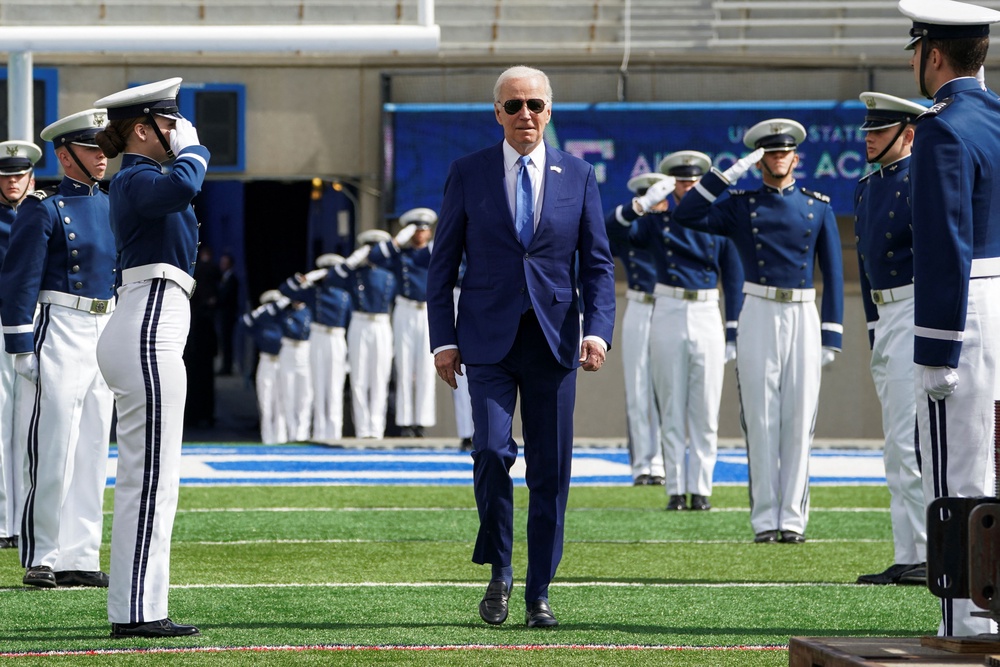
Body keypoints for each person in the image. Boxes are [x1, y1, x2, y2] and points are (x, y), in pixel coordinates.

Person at [426, 65, 616, 628]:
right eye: (513, 106)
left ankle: (538, 591)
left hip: (556, 343)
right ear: (497, 114)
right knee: (489, 450)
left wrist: (598, 329)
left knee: (550, 474)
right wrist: (443, 340)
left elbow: (598, 265)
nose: (525, 115)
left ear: (549, 111)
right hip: (485, 341)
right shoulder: (468, 173)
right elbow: (442, 266)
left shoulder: (578, 175)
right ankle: (500, 571)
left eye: (535, 104)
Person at [672, 118, 843, 544]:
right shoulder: (740, 205)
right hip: (757, 310)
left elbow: (834, 275)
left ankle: (793, 520)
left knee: (799, 418)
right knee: (761, 418)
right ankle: (766, 519)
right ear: (759, 159)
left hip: (803, 312)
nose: (778, 158)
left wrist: (832, 334)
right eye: (769, 153)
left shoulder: (817, 206)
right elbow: (687, 212)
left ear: (796, 158)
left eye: (784, 152)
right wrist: (726, 174)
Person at [898, 0, 1000, 637]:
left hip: (967, 310)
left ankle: (964, 623)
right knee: (996, 465)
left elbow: (944, 242)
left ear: (933, 55)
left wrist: (937, 346)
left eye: (917, 51)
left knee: (956, 472)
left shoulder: (943, 126)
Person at [93, 77, 208, 638]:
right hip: (149, 324)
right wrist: (196, 151)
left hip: (150, 321)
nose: (179, 130)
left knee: (154, 476)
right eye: (169, 122)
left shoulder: (140, 178)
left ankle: (137, 605)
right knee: (151, 479)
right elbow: (181, 191)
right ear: (144, 128)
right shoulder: (139, 177)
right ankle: (137, 612)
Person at [0, 109, 116, 589]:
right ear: (66, 157)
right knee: (53, 444)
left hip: (105, 324)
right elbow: (19, 279)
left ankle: (80, 555)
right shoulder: (43, 209)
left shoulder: (113, 205)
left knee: (92, 445)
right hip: (61, 324)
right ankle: (43, 554)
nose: (103, 157)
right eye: (92, 149)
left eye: (105, 148)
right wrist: (21, 347)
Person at [627, 154, 744, 512]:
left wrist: (732, 330)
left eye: (693, 182)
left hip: (707, 310)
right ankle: (677, 488)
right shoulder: (658, 223)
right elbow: (615, 231)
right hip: (668, 308)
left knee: (706, 410)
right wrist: (645, 202)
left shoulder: (717, 220)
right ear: (672, 186)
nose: (687, 188)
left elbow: (734, 277)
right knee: (672, 404)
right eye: (680, 183)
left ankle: (702, 488)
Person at [852, 92, 928, 587]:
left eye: (881, 130)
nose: (870, 138)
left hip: (918, 308)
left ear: (909, 133)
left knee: (909, 441)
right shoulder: (866, 188)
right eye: (868, 131)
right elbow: (865, 265)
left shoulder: (923, 180)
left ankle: (924, 553)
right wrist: (874, 325)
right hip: (888, 313)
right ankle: (909, 552)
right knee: (896, 443)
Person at [605, 178, 665, 487]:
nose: (657, 204)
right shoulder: (634, 230)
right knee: (639, 386)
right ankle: (644, 464)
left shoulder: (680, 225)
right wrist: (638, 207)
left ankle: (669, 463)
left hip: (674, 308)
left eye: (661, 196)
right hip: (640, 304)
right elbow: (608, 229)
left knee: (672, 390)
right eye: (650, 198)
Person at [0, 140, 40, 552]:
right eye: (5, 175)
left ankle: (23, 519)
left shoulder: (43, 212)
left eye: (19, 174)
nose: (12, 181)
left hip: (35, 323)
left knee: (30, 425)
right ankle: (3, 523)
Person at [368, 208, 436, 438]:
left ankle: (422, 422)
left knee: (427, 368)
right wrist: (397, 240)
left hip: (427, 310)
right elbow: (375, 258)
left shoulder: (432, 252)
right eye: (415, 230)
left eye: (423, 230)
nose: (420, 234)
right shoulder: (400, 254)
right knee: (405, 365)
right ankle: (406, 421)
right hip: (405, 309)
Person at [280, 254, 352, 441]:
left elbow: (351, 323)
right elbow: (286, 290)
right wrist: (307, 277)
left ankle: (334, 433)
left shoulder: (346, 293)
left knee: (335, 388)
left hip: (337, 338)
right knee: (318, 386)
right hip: (318, 337)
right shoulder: (314, 292)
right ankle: (320, 432)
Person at [337, 229, 396, 439]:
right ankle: (362, 429)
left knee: (380, 378)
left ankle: (376, 429)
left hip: (380, 323)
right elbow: (336, 276)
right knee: (359, 378)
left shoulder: (390, 273)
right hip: (360, 323)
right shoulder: (355, 274)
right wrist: (355, 258)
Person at [242, 290, 289, 444]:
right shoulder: (261, 321)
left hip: (283, 361)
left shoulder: (283, 318)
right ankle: (267, 438)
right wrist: (262, 311)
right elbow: (244, 322)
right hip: (266, 361)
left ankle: (281, 438)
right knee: (265, 402)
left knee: (281, 402)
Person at [278, 297, 313, 442]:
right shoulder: (284, 312)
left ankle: (302, 432)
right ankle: (291, 432)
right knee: (288, 393)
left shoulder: (310, 311)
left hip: (305, 350)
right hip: (288, 350)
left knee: (306, 394)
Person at [216, 252, 240, 376]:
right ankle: (225, 365)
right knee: (223, 342)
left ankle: (227, 367)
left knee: (227, 342)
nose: (222, 265)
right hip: (223, 315)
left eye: (225, 263)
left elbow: (228, 297)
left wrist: (216, 301)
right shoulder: (223, 278)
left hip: (228, 316)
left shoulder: (233, 279)